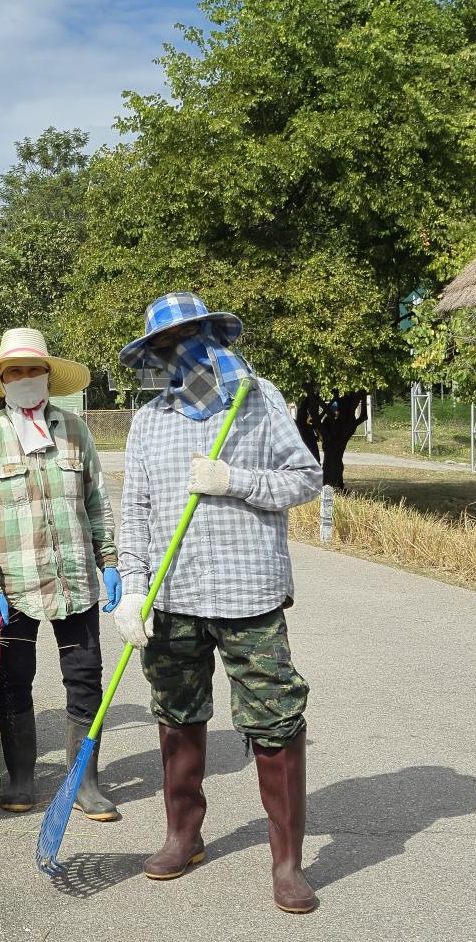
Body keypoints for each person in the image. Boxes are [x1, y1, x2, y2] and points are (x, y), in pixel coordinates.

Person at [113, 292, 322, 913]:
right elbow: (137, 509)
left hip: (248, 591)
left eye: (192, 337)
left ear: (213, 335)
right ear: (154, 355)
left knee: (275, 717)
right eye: (166, 345)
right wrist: (130, 588)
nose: (183, 353)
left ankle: (287, 863)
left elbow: (306, 477)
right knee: (177, 710)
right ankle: (184, 834)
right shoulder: (150, 418)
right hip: (172, 593)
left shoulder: (257, 398)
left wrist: (238, 482)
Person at [0, 328, 124, 820]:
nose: (25, 379)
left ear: (49, 377)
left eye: (34, 370)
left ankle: (84, 783)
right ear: (2, 381)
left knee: (85, 679)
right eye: (15, 372)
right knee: (14, 681)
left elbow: (95, 500)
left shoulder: (75, 429)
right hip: (14, 588)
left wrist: (110, 561)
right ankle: (23, 779)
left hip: (75, 580)